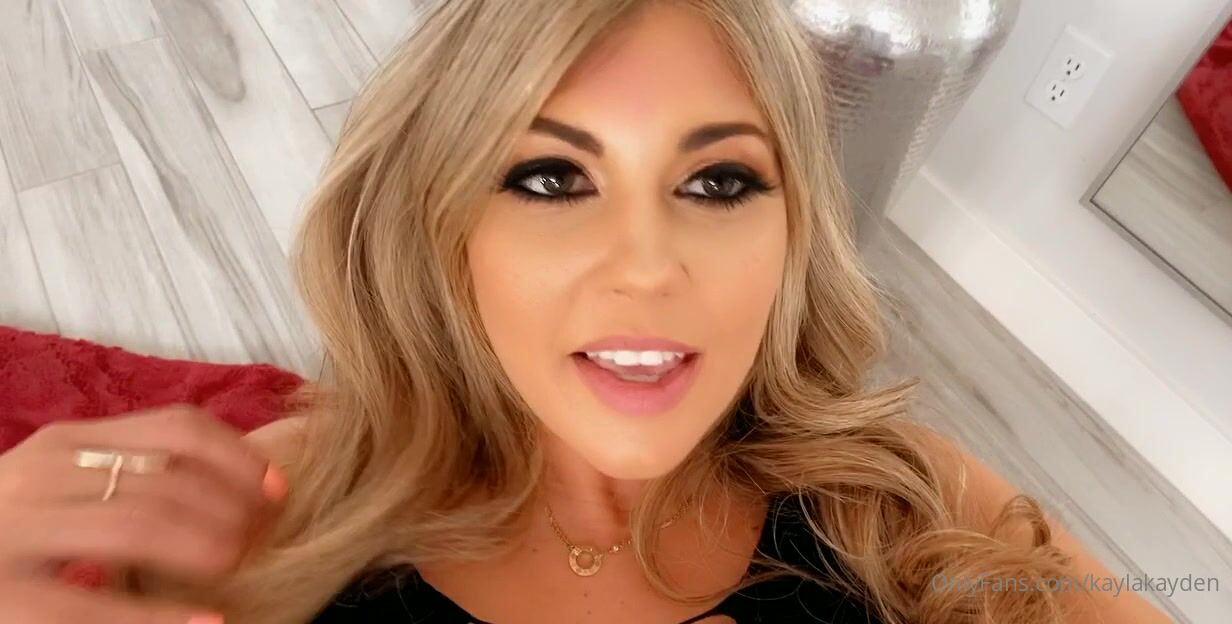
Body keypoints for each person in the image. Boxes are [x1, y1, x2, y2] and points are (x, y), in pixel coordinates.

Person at [0, 1, 1174, 622]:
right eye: (549, 177)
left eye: (719, 183)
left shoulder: (906, 499)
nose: (646, 268)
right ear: (437, 225)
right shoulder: (266, 513)